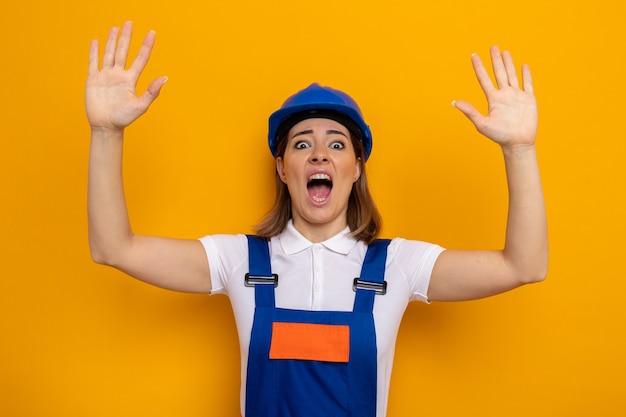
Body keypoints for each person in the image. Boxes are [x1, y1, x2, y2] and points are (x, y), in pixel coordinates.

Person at [86, 21, 548, 417]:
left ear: (356, 168)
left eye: (337, 143)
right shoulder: (238, 260)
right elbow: (113, 247)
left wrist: (520, 150)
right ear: (283, 168)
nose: (320, 153)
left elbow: (523, 266)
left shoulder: (397, 266)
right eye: (302, 144)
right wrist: (106, 132)